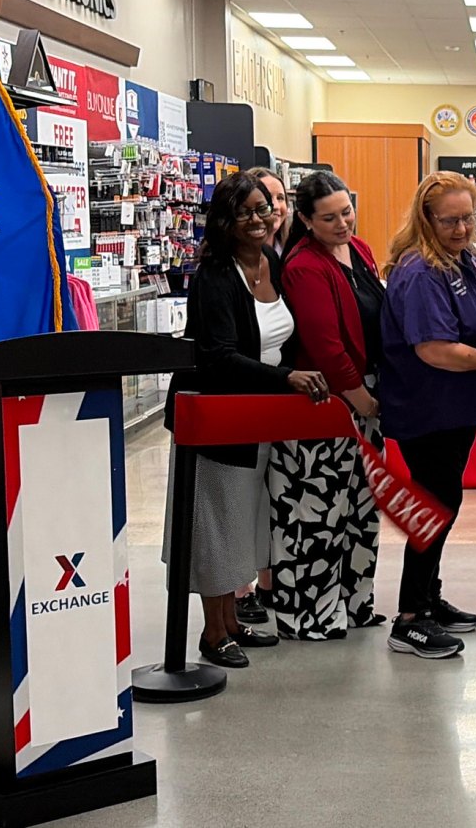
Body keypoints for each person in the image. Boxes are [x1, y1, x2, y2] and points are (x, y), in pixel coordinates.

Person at [162, 172, 329, 669]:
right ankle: (213, 634)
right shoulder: (216, 274)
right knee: (215, 524)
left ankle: (233, 621)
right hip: (216, 418)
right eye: (245, 212)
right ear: (224, 220)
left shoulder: (271, 260)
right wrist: (287, 379)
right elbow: (217, 356)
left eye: (264, 208)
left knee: (244, 523)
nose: (258, 219)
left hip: (256, 415)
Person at [379, 172, 476, 659]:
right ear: (425, 219)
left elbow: (472, 311)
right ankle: (410, 618)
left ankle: (428, 597)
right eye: (450, 221)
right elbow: (435, 348)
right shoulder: (418, 271)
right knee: (433, 505)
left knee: (445, 501)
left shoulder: (463, 258)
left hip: (457, 406)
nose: (461, 229)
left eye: (467, 218)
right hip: (427, 406)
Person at [272, 172, 387, 640]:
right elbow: (325, 345)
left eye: (346, 211)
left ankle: (356, 603)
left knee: (362, 508)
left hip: (365, 398)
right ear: (305, 220)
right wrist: (361, 400)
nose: (342, 223)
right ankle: (313, 614)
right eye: (329, 217)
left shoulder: (358, 250)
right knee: (320, 514)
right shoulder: (303, 266)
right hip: (327, 405)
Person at [232, 165, 293, 625]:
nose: (268, 213)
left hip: (275, 403)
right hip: (239, 403)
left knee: (269, 497)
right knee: (239, 499)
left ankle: (267, 581)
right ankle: (238, 590)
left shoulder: (276, 261)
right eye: (255, 205)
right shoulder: (225, 268)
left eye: (275, 202)